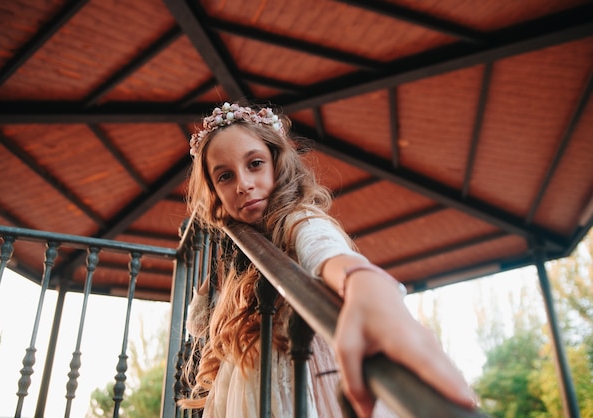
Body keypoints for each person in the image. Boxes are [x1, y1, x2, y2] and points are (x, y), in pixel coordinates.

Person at [179, 102, 476, 418]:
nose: (243, 184)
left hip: (305, 378)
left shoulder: (298, 219)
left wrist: (362, 280)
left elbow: (324, 247)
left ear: (276, 164)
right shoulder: (241, 250)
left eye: (255, 164)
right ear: (214, 190)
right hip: (250, 381)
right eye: (225, 176)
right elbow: (198, 325)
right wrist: (218, 277)